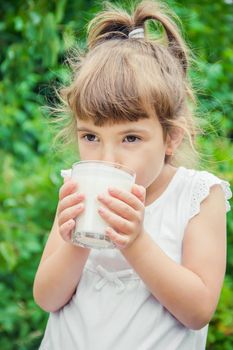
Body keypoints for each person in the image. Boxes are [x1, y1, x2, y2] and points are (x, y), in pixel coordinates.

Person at [33, 1, 232, 349]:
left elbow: (198, 310)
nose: (108, 159)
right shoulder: (77, 188)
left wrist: (136, 242)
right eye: (91, 136)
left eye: (130, 138)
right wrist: (76, 241)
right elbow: (47, 298)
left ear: (171, 137)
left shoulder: (197, 197)